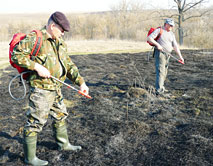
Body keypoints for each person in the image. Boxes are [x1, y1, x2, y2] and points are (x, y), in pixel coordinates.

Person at [11, 11, 89, 165]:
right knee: (35, 121)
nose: (63, 34)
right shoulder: (35, 39)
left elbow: (67, 63)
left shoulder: (59, 42)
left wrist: (81, 82)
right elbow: (16, 55)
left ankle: (63, 144)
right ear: (53, 26)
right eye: (62, 30)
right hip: (41, 90)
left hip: (56, 88)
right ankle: (30, 158)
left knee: (60, 115)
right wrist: (36, 66)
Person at [147, 18, 184, 97]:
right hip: (160, 53)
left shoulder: (171, 34)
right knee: (161, 71)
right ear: (166, 24)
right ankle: (159, 91)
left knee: (165, 71)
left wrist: (181, 57)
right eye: (170, 25)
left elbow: (175, 46)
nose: (171, 27)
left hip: (168, 54)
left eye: (172, 26)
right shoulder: (159, 30)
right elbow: (149, 38)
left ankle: (161, 87)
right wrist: (158, 45)